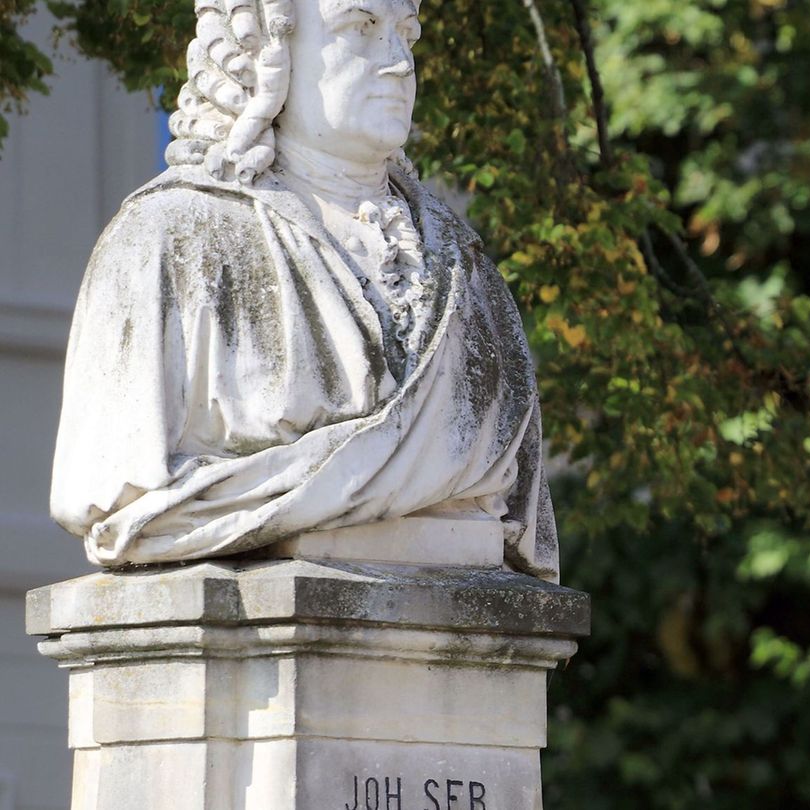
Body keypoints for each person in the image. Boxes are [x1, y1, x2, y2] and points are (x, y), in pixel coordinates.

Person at [48, 0, 558, 581]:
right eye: (360, 27)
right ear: (270, 47)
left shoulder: (473, 280)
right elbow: (102, 490)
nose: (397, 63)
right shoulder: (166, 245)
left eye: (406, 34)